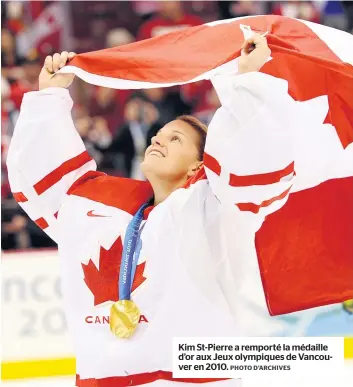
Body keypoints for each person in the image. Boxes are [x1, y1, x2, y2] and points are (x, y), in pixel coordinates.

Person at [6, 34, 347, 386]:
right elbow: (46, 177)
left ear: (197, 166)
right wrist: (49, 96)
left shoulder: (218, 206)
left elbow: (252, 165)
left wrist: (248, 82)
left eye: (175, 139)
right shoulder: (99, 208)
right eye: (159, 135)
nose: (157, 140)